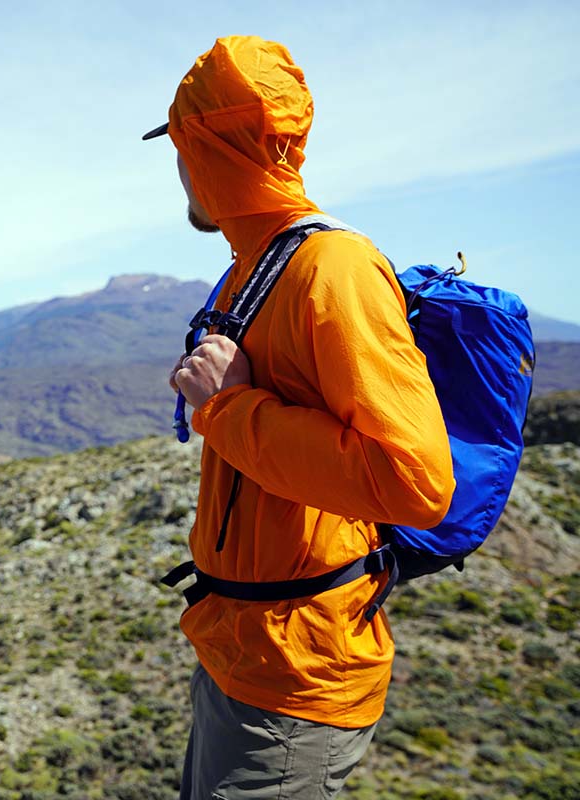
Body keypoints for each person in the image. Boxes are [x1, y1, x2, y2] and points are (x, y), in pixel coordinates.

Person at [144, 36, 455, 799]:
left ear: (203, 147)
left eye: (181, 145)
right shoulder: (248, 271)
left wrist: (230, 406)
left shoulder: (332, 271)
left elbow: (413, 482)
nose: (176, 167)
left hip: (296, 680)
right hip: (239, 650)